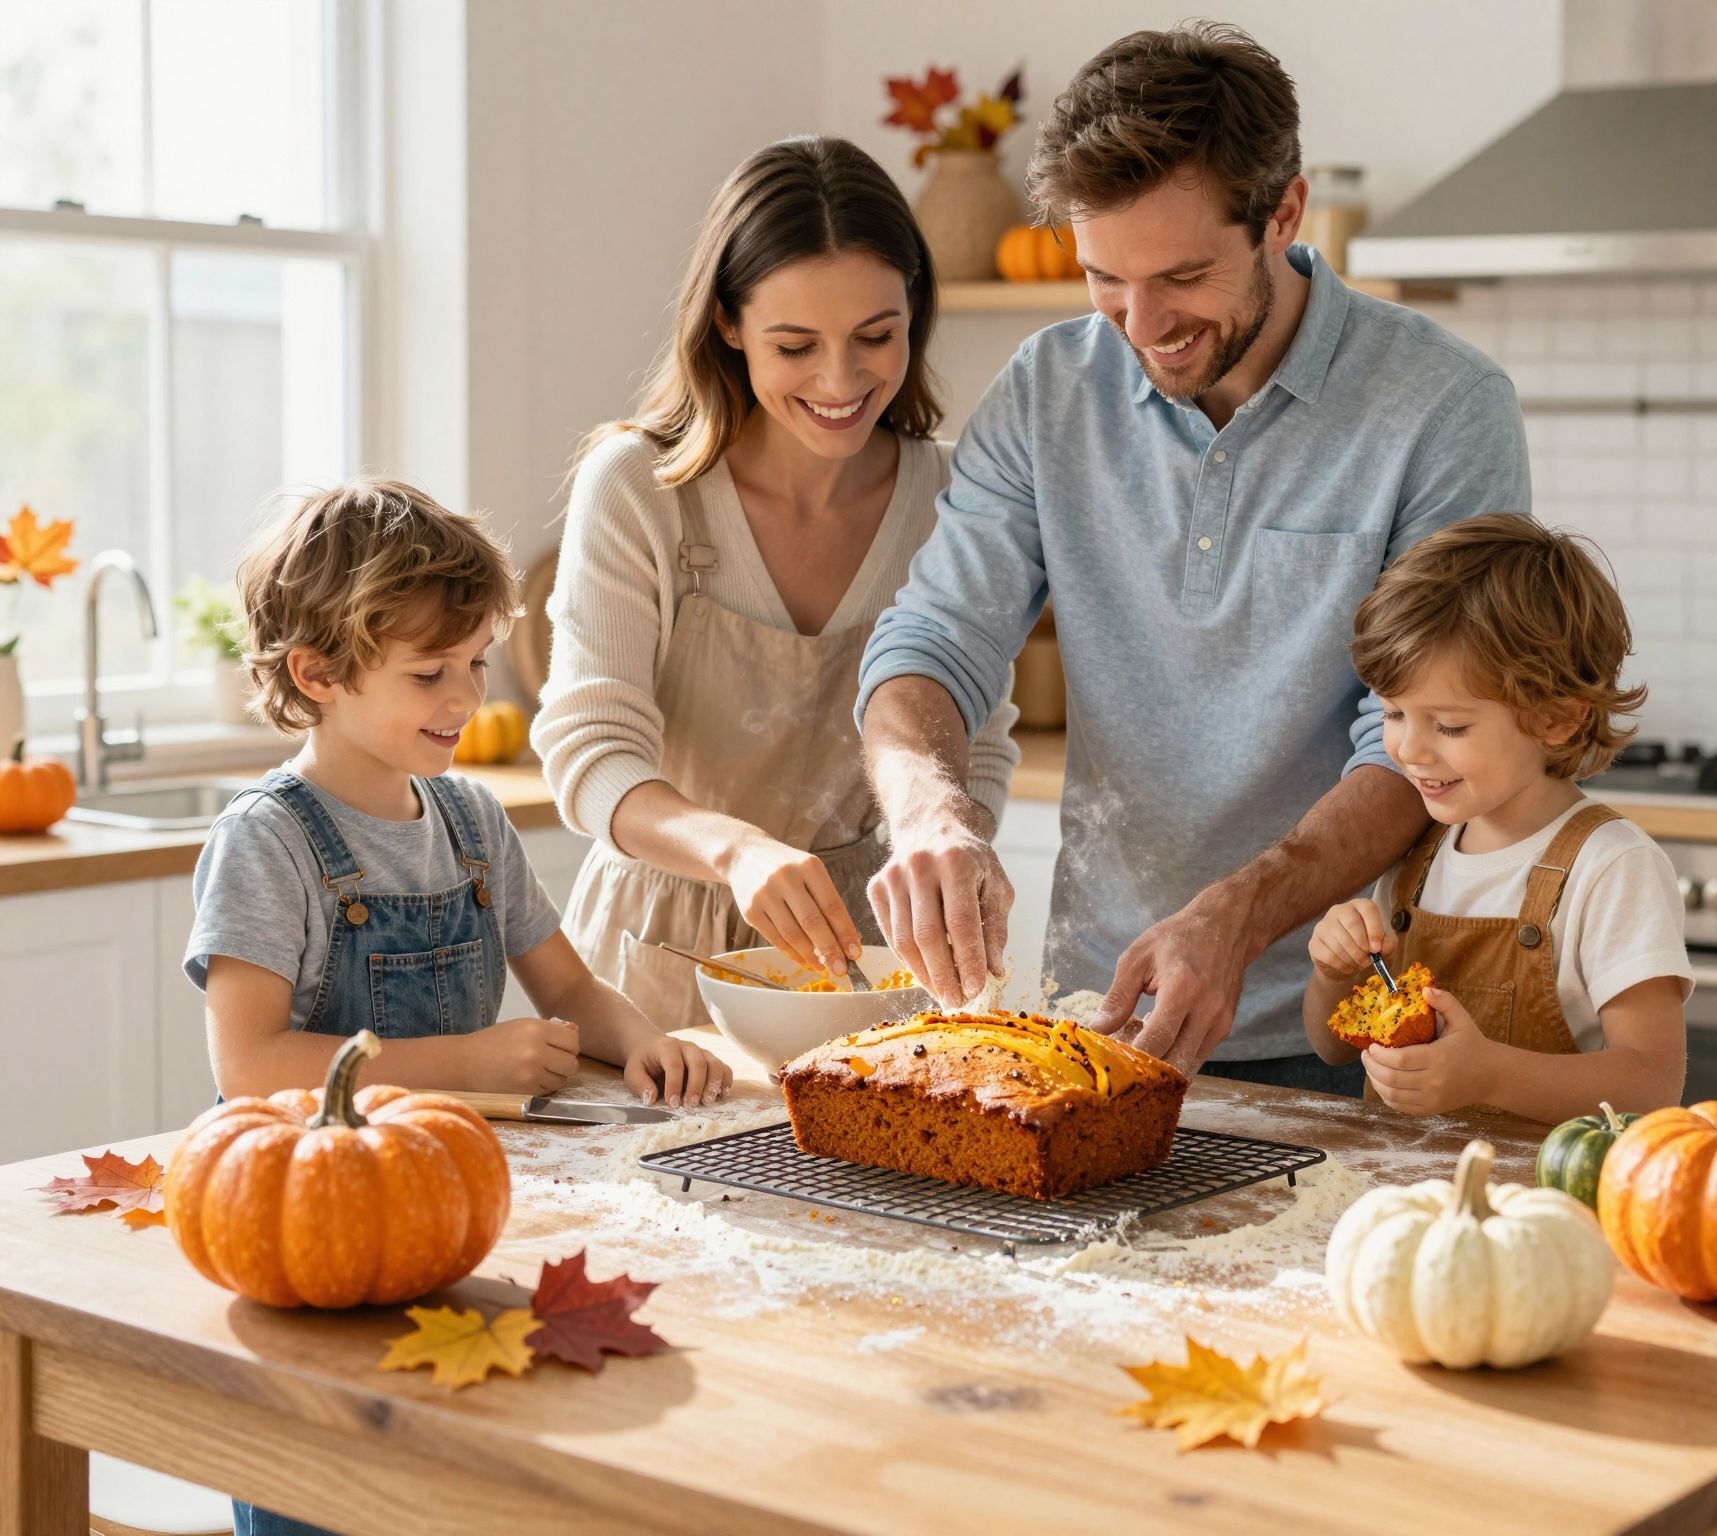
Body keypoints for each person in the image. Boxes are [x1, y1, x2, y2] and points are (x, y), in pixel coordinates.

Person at [858, 24, 1528, 1088]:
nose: (1141, 322)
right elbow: (931, 639)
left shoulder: (1442, 409)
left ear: (1284, 215)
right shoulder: (1047, 391)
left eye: (1180, 276)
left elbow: (1419, 743)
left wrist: (1233, 916)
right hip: (1101, 1018)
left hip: (1359, 1029)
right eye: (1104, 280)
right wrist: (926, 812)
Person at [186, 479, 730, 1536]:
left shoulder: (473, 818)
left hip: (454, 1222)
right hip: (310, 1252)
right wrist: (471, 1061)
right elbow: (252, 1069)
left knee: (451, 1491)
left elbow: (566, 985)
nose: (466, 695)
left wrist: (642, 1040)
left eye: (476, 661)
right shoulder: (268, 842)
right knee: (332, 1494)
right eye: (428, 673)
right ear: (319, 673)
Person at [535, 137, 1018, 1026]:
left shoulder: (953, 495)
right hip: (655, 955)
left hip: (870, 952)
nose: (842, 380)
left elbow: (974, 741)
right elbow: (591, 756)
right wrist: (735, 850)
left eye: (877, 336)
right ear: (727, 323)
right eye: (795, 344)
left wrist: (954, 849)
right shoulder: (640, 489)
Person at [1303, 514, 1691, 1120]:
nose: (1407, 749)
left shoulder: (1612, 867)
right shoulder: (1418, 854)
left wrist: (1488, 1074)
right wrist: (1332, 972)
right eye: (1393, 714)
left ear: (1557, 719)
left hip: (1543, 1202)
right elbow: (1330, 1048)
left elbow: (1652, 1082)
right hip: (1401, 1197)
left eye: (1450, 725)